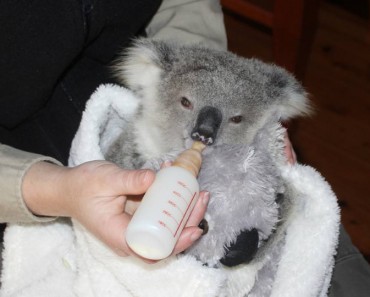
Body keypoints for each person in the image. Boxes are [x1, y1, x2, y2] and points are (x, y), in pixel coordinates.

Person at [1, 0, 369, 295]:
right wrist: (49, 189)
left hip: (160, 110)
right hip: (24, 182)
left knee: (344, 277)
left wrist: (212, 77)